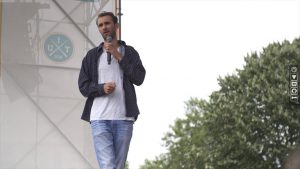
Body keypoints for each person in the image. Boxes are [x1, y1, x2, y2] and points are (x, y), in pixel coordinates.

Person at [78, 11, 146, 169]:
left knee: (118, 166)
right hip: (99, 118)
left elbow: (139, 78)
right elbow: (83, 86)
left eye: (107, 23)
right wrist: (101, 88)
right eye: (100, 25)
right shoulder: (91, 56)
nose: (104, 27)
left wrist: (118, 55)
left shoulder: (129, 52)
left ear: (116, 25)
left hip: (124, 118)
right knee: (108, 165)